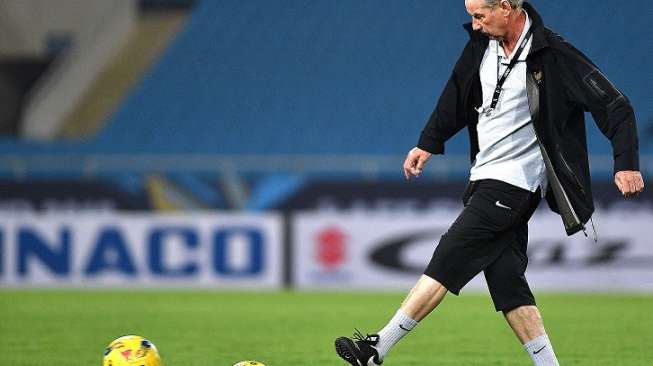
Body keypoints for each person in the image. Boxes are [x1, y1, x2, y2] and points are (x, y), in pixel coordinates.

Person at [334, 1, 644, 365]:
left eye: (479, 15)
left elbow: (615, 105)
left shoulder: (555, 55)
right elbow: (455, 93)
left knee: (450, 253)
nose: (474, 24)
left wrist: (626, 164)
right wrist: (428, 142)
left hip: (516, 182)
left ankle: (377, 347)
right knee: (507, 281)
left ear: (506, 8)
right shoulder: (482, 44)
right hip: (484, 174)